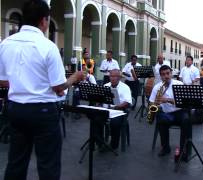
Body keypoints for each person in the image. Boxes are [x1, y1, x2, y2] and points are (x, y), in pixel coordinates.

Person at [0, 1, 83, 179]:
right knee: (48, 165)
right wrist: (74, 78)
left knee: (15, 163)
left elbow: (3, 81)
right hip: (43, 112)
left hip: (15, 109)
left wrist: (22, 83)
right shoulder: (48, 47)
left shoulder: (5, 44)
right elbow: (58, 87)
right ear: (44, 21)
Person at [149, 65, 192, 159]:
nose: (166, 76)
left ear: (171, 73)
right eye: (163, 74)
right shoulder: (157, 87)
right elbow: (151, 102)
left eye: (168, 73)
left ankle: (183, 150)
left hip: (179, 112)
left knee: (186, 121)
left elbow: (184, 102)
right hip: (166, 113)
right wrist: (155, 104)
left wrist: (167, 100)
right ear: (160, 76)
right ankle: (165, 147)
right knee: (161, 120)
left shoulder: (179, 84)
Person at [93, 69, 132, 151]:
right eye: (111, 76)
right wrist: (98, 103)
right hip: (106, 110)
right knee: (95, 119)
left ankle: (113, 145)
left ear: (119, 77)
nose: (112, 78)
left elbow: (128, 102)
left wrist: (116, 107)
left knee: (115, 122)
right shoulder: (106, 85)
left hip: (119, 111)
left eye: (115, 76)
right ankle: (100, 142)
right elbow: (100, 99)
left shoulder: (125, 87)